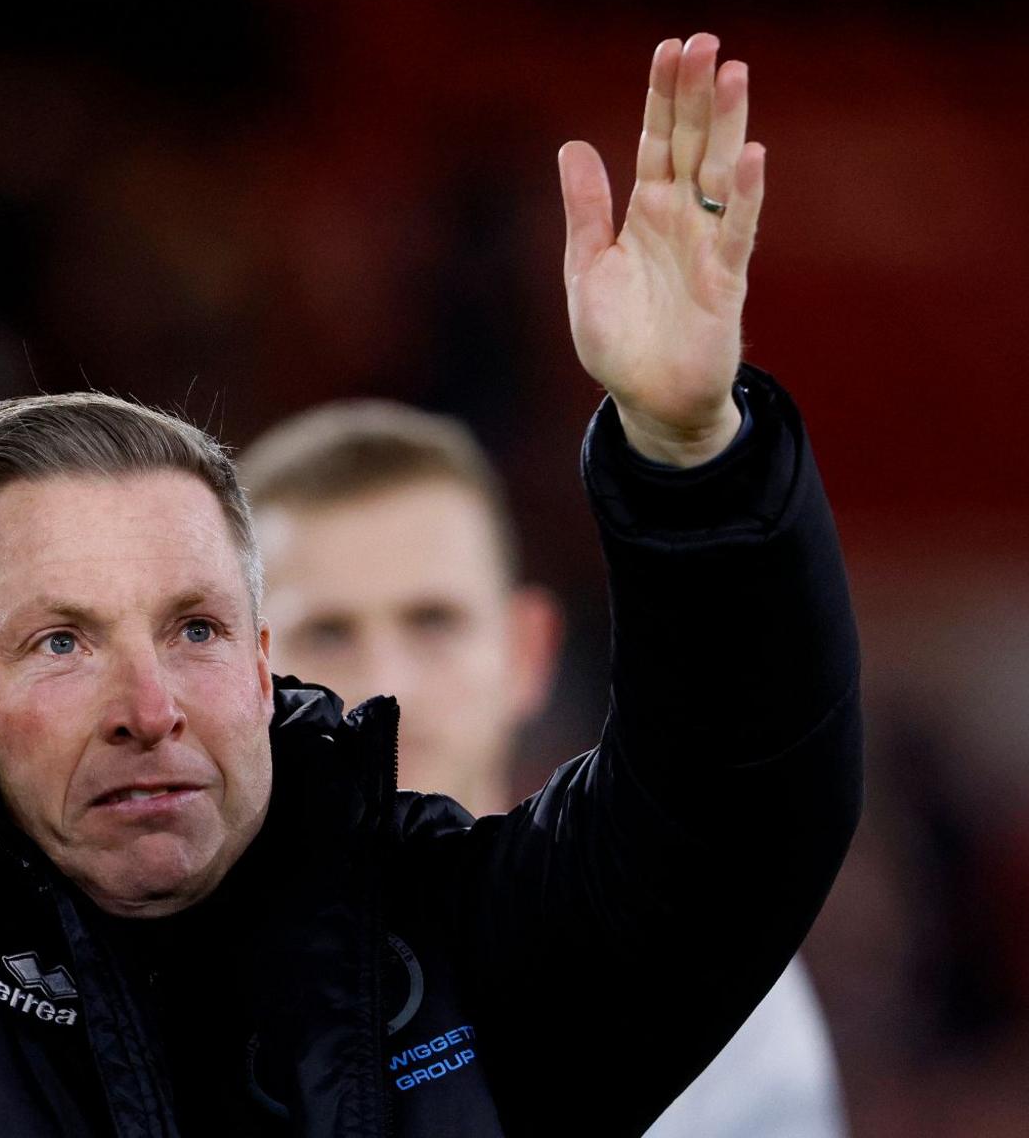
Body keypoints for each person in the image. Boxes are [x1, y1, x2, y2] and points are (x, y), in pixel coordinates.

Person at [0, 32, 862, 1136]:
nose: (148, 704)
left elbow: (737, 819)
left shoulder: (456, 950)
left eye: (195, 629)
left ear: (267, 652)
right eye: (61, 642)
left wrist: (696, 457)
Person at [241, 401, 848, 1137]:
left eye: (434, 621)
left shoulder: (699, 961)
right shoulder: (168, 978)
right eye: (328, 632)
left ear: (528, 652)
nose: (385, 684)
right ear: (246, 674)